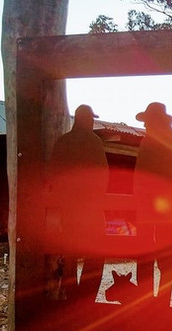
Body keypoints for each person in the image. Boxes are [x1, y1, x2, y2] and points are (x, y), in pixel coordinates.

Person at [134, 102, 172, 303]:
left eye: (147, 122)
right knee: (165, 255)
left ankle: (146, 300)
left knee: (149, 254)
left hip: (152, 209)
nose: (145, 126)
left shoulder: (148, 142)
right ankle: (163, 298)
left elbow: (139, 176)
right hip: (168, 209)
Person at [48, 104, 109, 300]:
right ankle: (87, 293)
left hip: (69, 209)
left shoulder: (63, 142)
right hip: (91, 209)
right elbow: (103, 174)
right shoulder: (94, 142)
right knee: (96, 251)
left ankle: (69, 291)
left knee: (70, 252)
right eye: (91, 119)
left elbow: (53, 174)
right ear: (87, 120)